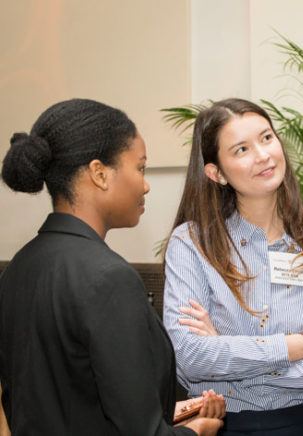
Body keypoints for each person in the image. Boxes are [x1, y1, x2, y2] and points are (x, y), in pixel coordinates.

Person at [0, 99, 225, 435]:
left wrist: (167, 411)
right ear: (99, 173)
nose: (146, 184)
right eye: (140, 168)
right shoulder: (109, 278)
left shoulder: (20, 266)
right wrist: (200, 430)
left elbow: (69, 399)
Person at [163, 98, 303, 435]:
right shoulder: (192, 244)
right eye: (241, 149)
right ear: (217, 173)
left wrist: (228, 359)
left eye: (267, 138)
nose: (263, 155)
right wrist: (298, 346)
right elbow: (190, 358)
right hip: (220, 427)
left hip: (301, 426)